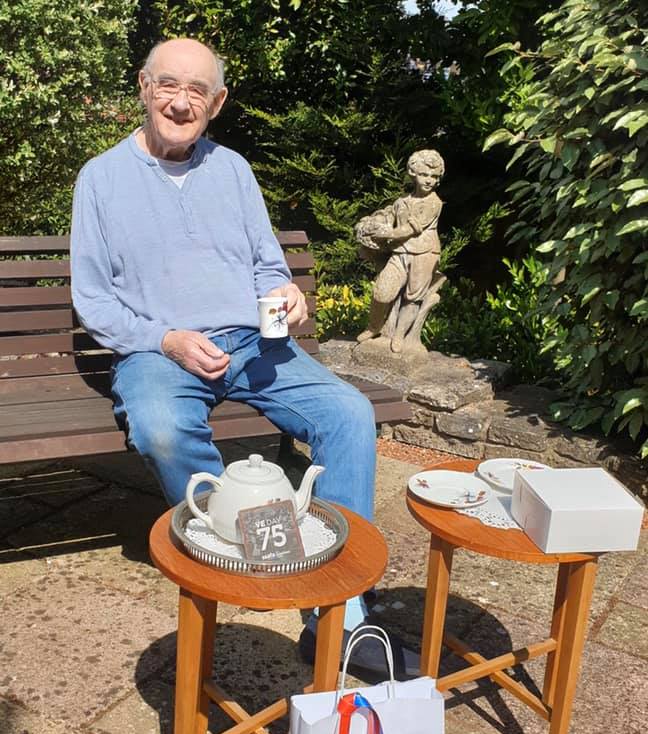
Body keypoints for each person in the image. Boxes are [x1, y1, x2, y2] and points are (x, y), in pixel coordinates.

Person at [71, 38, 418, 678]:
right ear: (144, 87)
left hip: (253, 342)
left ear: (218, 102)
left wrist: (286, 294)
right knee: (161, 428)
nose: (181, 102)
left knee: (348, 414)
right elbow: (92, 299)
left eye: (197, 91)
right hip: (159, 351)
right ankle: (244, 546)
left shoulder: (232, 170)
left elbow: (266, 264)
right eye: (168, 85)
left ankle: (341, 619)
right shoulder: (101, 178)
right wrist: (167, 340)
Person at [355, 149, 446, 354]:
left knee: (413, 297)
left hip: (425, 253)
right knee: (381, 292)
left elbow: (407, 230)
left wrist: (384, 233)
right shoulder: (401, 202)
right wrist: (374, 223)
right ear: (413, 174)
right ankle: (374, 327)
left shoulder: (434, 203)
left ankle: (399, 336)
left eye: (434, 176)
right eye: (424, 174)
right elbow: (388, 216)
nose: (429, 180)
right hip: (400, 253)